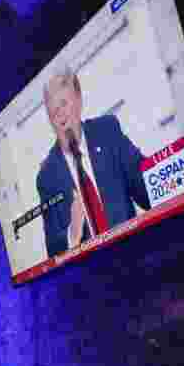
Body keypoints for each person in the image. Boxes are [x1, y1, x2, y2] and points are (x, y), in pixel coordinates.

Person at [36, 67, 152, 257]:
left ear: (79, 100)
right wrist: (73, 233)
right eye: (53, 111)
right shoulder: (46, 177)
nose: (60, 115)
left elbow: (145, 189)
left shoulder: (107, 130)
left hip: (135, 253)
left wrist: (168, 169)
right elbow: (54, 251)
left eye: (64, 104)